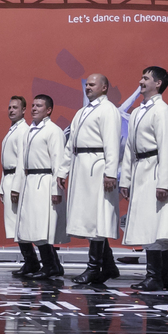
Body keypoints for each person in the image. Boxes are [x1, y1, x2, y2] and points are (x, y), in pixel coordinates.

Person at [120, 66, 168, 292]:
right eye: (141, 77)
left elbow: (167, 146)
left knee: (153, 223)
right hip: (140, 168)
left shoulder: (162, 111)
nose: (141, 81)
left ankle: (154, 276)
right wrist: (126, 179)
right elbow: (129, 148)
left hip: (155, 168)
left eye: (146, 78)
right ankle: (166, 278)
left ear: (158, 83)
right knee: (147, 223)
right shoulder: (137, 112)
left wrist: (163, 182)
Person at [61, 73, 122, 287]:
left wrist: (111, 172)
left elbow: (112, 143)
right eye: (86, 84)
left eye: (92, 84)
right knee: (87, 217)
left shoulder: (108, 110)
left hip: (97, 166)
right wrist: (63, 170)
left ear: (104, 87)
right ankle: (109, 265)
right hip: (81, 165)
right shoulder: (82, 112)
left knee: (97, 218)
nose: (87, 87)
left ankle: (94, 267)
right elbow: (71, 144)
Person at [11, 95, 67, 281]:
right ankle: (52, 265)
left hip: (45, 181)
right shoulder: (29, 131)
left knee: (42, 226)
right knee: (30, 225)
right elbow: (21, 162)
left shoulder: (53, 131)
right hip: (30, 181)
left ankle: (50, 265)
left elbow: (58, 161)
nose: (34, 108)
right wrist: (17, 186)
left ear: (48, 110)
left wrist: (56, 190)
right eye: (33, 105)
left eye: (39, 106)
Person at [0, 95, 30, 254]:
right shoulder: (13, 129)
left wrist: (16, 187)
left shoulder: (23, 130)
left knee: (20, 224)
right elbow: (5, 162)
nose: (11, 110)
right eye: (10, 107)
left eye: (15, 108)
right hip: (8, 178)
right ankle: (29, 260)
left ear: (23, 110)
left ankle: (33, 260)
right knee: (14, 225)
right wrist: (2, 186)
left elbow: (21, 162)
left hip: (16, 179)